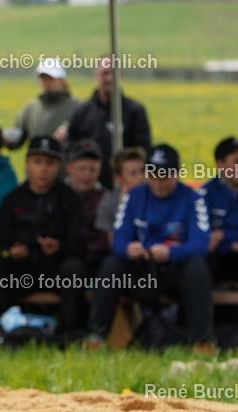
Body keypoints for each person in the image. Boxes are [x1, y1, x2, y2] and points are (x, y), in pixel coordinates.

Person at [86, 144, 213, 348]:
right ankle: (95, 338)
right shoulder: (133, 197)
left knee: (197, 266)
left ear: (177, 173)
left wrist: (169, 253)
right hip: (141, 272)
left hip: (174, 271)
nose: (158, 183)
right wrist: (129, 249)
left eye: (165, 177)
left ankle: (202, 341)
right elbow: (119, 240)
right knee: (112, 264)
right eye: (153, 176)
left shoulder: (193, 198)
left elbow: (200, 245)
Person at [0, 137, 88, 337]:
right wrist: (12, 252)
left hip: (55, 271)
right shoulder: (12, 199)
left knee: (74, 269)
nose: (43, 169)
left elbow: (80, 246)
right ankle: (7, 331)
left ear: (59, 166)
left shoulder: (70, 199)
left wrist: (58, 248)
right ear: (27, 163)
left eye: (50, 163)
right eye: (37, 162)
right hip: (21, 271)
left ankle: (70, 335)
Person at [66, 55, 152, 190]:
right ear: (95, 75)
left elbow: (143, 151)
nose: (109, 78)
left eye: (113, 73)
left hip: (124, 188)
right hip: (89, 189)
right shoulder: (81, 111)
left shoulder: (134, 111)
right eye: (105, 73)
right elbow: (70, 147)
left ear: (121, 76)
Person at [3, 58, 79, 150]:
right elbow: (18, 137)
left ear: (61, 79)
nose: (46, 81)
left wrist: (69, 128)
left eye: (50, 77)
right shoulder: (30, 107)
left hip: (65, 158)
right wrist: (2, 137)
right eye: (42, 77)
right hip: (36, 158)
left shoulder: (78, 107)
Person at [64, 139, 109, 274]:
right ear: (69, 168)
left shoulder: (106, 198)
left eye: (92, 170)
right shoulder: (60, 195)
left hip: (98, 260)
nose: (87, 174)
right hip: (67, 260)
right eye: (82, 169)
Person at [93, 147, 147, 248]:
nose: (141, 177)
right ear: (117, 178)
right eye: (133, 173)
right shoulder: (109, 202)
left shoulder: (157, 197)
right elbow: (112, 243)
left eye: (143, 171)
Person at [202, 137, 238, 285]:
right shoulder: (205, 194)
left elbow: (216, 236)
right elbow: (205, 239)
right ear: (220, 164)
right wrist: (230, 245)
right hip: (217, 260)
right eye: (236, 162)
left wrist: (222, 235)